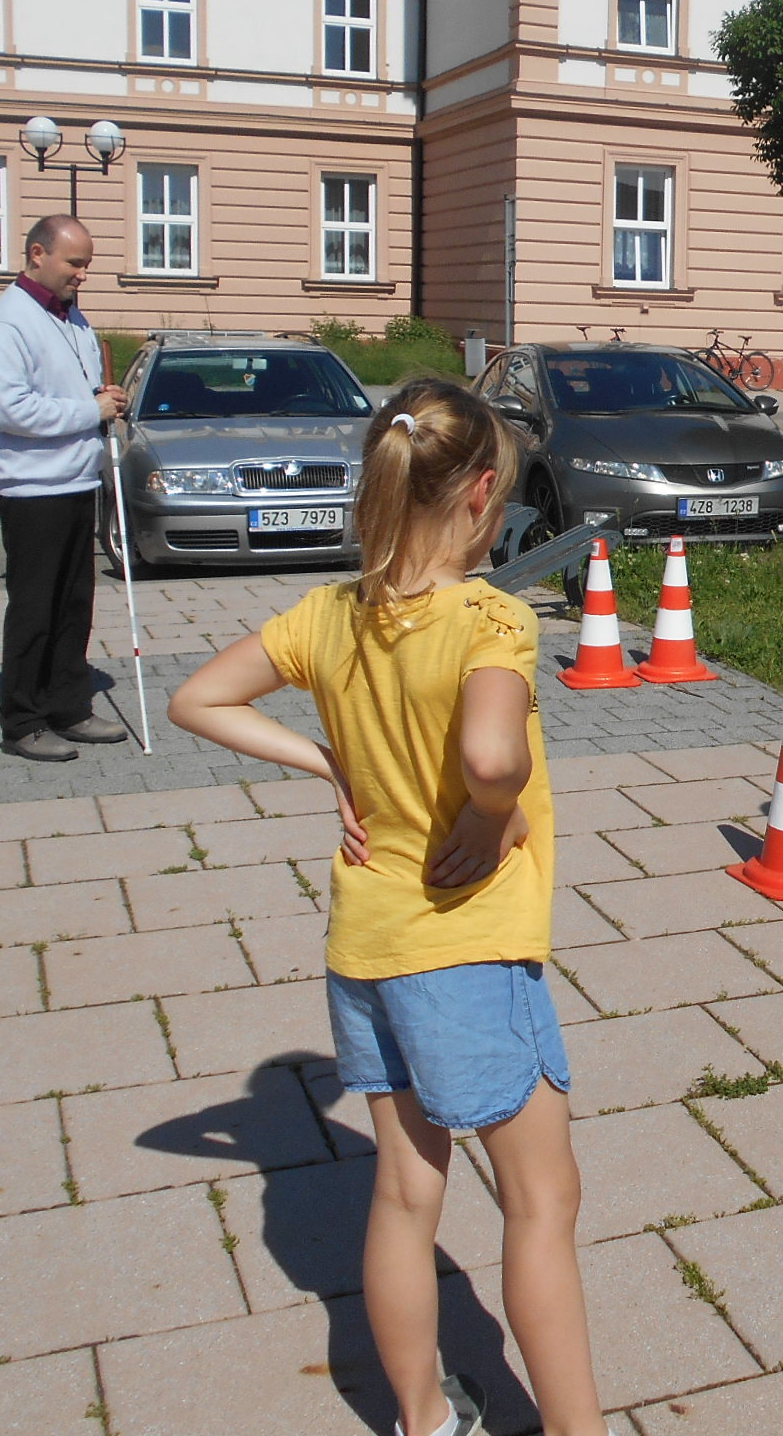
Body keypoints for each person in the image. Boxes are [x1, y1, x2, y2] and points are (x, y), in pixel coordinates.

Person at [168, 380, 605, 1436]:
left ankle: (423, 1418)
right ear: (484, 494)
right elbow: (492, 754)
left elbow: (197, 698)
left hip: (365, 948)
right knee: (543, 1203)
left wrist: (326, 760)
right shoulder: (492, 618)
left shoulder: (327, 615)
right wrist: (495, 814)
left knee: (407, 1194)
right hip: (466, 952)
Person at [0, 215, 130, 762]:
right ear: (37, 254)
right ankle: (23, 720)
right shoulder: (6, 323)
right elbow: (8, 409)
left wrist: (103, 396)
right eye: (75, 263)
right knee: (35, 608)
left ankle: (69, 705)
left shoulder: (71, 316)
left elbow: (72, 389)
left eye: (87, 265)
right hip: (32, 488)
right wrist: (89, 409)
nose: (82, 274)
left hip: (75, 479)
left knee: (73, 605)